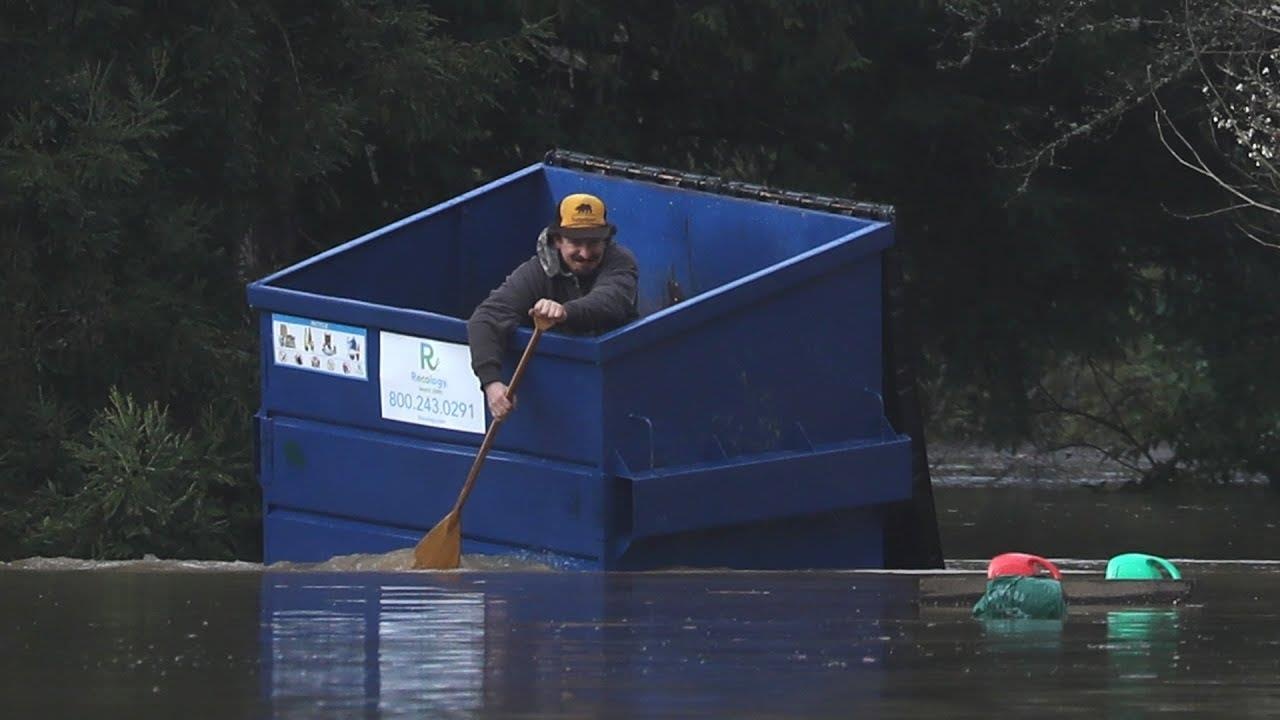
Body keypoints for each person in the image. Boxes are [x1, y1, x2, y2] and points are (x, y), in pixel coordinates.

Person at [468, 192, 639, 419]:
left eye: (594, 243)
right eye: (576, 243)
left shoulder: (621, 261)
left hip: (617, 381)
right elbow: (486, 318)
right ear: (557, 240)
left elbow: (611, 300)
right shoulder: (536, 272)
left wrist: (564, 311)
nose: (585, 253)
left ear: (606, 241)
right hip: (556, 391)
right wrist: (492, 384)